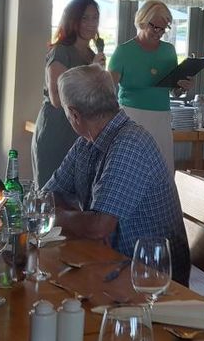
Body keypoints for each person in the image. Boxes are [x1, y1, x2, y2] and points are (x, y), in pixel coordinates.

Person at [44, 64, 190, 284]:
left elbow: (99, 227)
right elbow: (48, 194)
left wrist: (57, 216)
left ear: (74, 115)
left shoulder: (130, 143)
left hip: (151, 278)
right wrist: (81, 221)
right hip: (110, 263)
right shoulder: (86, 143)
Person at [107, 0, 191, 175]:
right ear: (142, 21)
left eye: (163, 29)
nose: (159, 33)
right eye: (155, 27)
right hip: (132, 117)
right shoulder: (124, 52)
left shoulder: (168, 51)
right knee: (130, 170)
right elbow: (106, 90)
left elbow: (173, 90)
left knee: (162, 171)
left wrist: (182, 87)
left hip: (161, 118)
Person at [32, 0, 106, 187]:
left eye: (95, 18)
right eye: (85, 18)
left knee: (80, 195)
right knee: (51, 194)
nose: (91, 23)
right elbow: (57, 99)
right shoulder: (60, 51)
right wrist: (90, 70)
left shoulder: (91, 55)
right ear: (73, 20)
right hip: (58, 129)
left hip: (83, 131)